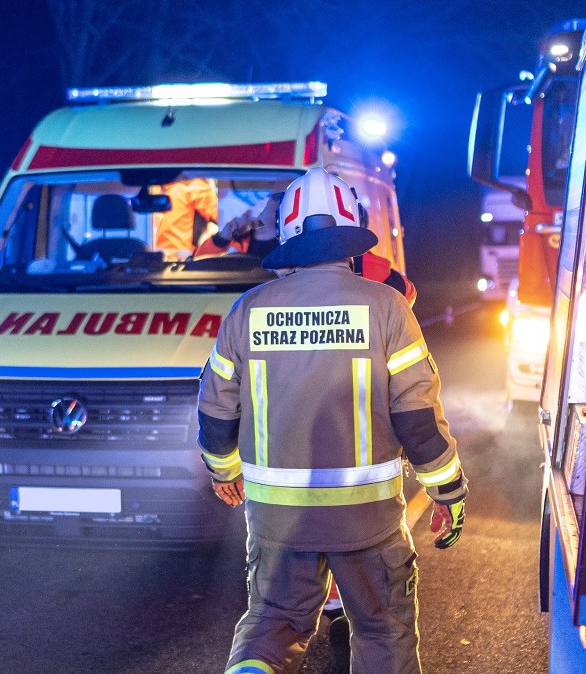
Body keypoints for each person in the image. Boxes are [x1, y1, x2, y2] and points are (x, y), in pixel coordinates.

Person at [197, 168, 467, 674]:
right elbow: (417, 418)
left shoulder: (247, 310)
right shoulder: (387, 306)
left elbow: (215, 407)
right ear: (351, 228)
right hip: (367, 520)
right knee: (382, 631)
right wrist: (447, 491)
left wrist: (224, 470)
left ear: (288, 233)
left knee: (270, 625)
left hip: (278, 517)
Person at [196, 179, 417, 307]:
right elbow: (199, 266)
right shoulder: (241, 243)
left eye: (275, 203)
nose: (265, 209)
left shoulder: (252, 306)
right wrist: (222, 238)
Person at [156, 177, 219, 253]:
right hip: (185, 251)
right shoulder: (197, 187)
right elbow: (219, 217)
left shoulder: (173, 187)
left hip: (165, 249)